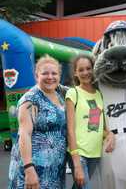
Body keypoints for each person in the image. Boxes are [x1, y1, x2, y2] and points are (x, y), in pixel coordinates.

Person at [8, 55, 67, 189]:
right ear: (36, 75)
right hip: (34, 168)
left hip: (54, 169)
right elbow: (24, 135)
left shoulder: (58, 94)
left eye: (54, 73)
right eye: (45, 73)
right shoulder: (30, 100)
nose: (50, 77)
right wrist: (29, 169)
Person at [65, 55, 114, 189]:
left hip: (95, 153)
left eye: (88, 68)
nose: (85, 72)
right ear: (75, 73)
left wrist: (110, 135)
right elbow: (70, 130)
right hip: (78, 153)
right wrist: (76, 162)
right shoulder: (73, 93)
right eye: (81, 70)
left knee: (79, 186)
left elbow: (99, 128)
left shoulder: (99, 94)